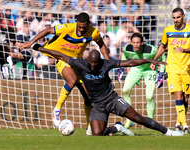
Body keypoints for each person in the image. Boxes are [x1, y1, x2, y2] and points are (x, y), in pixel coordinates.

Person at [32, 45, 184, 136]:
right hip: (97, 105)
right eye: (91, 62)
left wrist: (149, 60)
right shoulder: (80, 64)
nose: (93, 65)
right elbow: (61, 55)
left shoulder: (106, 64)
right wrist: (40, 48)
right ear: (88, 60)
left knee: (137, 118)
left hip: (112, 99)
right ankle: (117, 127)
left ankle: (168, 132)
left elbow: (129, 62)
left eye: (95, 62)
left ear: (99, 60)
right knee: (96, 133)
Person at [18, 12, 110, 135]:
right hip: (61, 59)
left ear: (88, 24)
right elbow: (47, 30)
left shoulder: (94, 32)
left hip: (77, 63)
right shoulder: (68, 28)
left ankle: (89, 127)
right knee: (71, 80)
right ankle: (57, 109)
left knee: (89, 97)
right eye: (80, 26)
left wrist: (108, 61)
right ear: (77, 23)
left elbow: (102, 45)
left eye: (84, 27)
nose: (82, 29)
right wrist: (30, 42)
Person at [150, 7, 190, 134]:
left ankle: (178, 123)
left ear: (183, 16)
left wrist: (184, 50)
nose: (176, 20)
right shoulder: (168, 31)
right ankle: (185, 126)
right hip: (172, 67)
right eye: (174, 18)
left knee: (185, 98)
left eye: (178, 17)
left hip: (187, 68)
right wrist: (155, 60)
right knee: (178, 95)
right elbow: (162, 47)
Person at [118, 33, 166, 129]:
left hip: (150, 71)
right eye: (134, 42)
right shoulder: (128, 48)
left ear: (142, 43)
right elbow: (125, 57)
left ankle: (151, 121)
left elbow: (162, 59)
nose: (136, 45)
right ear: (131, 43)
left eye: (138, 42)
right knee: (125, 91)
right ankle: (129, 119)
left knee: (149, 96)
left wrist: (161, 74)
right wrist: (121, 69)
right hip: (136, 69)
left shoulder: (151, 50)